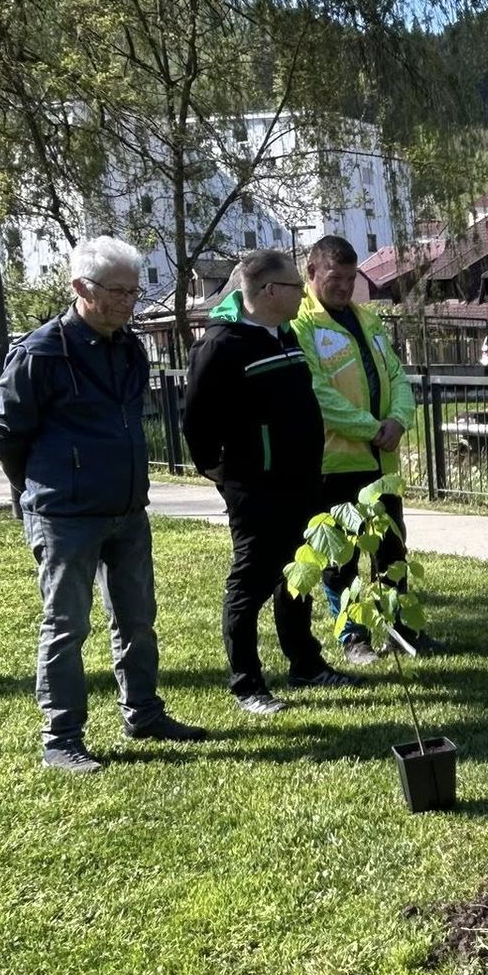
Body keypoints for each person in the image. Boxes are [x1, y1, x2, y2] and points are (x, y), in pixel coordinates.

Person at [0, 236, 207, 773]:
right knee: (67, 625)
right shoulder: (41, 352)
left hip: (127, 510)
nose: (129, 302)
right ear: (81, 288)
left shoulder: (128, 346)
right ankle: (60, 738)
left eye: (134, 292)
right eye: (118, 292)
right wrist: (40, 490)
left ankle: (144, 712)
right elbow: (4, 431)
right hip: (65, 517)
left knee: (137, 619)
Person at [182, 249, 355, 715]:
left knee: (298, 575)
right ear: (269, 291)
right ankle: (246, 683)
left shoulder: (284, 337)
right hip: (255, 489)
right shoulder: (221, 345)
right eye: (296, 287)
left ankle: (305, 663)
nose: (303, 293)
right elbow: (197, 427)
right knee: (250, 582)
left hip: (302, 483)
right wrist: (230, 478)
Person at [291, 234, 437, 663]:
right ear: (312, 273)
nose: (344, 287)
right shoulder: (301, 326)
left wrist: (399, 421)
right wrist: (372, 427)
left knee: (392, 548)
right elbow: (318, 395)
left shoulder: (367, 319)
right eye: (335, 278)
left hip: (382, 463)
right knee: (343, 556)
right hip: (336, 464)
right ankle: (352, 637)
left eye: (351, 278)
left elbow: (396, 376)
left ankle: (400, 629)